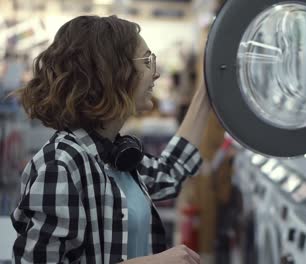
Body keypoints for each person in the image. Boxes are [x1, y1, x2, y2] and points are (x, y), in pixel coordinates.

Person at [10, 15, 211, 264]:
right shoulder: (60, 165)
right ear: (113, 72)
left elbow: (168, 173)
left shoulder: (113, 156)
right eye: (148, 61)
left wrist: (208, 88)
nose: (156, 73)